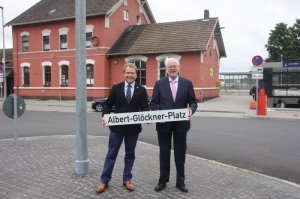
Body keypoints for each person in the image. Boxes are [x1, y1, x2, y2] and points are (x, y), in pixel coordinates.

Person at [96, 63, 150, 193]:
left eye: (132, 73)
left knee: (130, 154)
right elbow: (108, 104)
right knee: (111, 154)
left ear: (136, 75)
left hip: (133, 129)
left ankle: (127, 179)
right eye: (128, 73)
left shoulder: (141, 90)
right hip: (117, 128)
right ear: (124, 73)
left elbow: (144, 107)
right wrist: (105, 116)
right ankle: (104, 180)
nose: (130, 75)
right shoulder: (116, 88)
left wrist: (148, 116)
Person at [150, 57, 198, 193]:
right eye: (170, 66)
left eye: (174, 66)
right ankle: (163, 180)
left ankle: (180, 181)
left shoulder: (187, 83)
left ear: (178, 67)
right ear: (166, 69)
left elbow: (193, 102)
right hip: (163, 125)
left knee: (180, 154)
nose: (172, 68)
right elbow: (153, 103)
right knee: (164, 153)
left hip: (181, 125)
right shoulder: (159, 84)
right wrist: (159, 114)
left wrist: (191, 109)